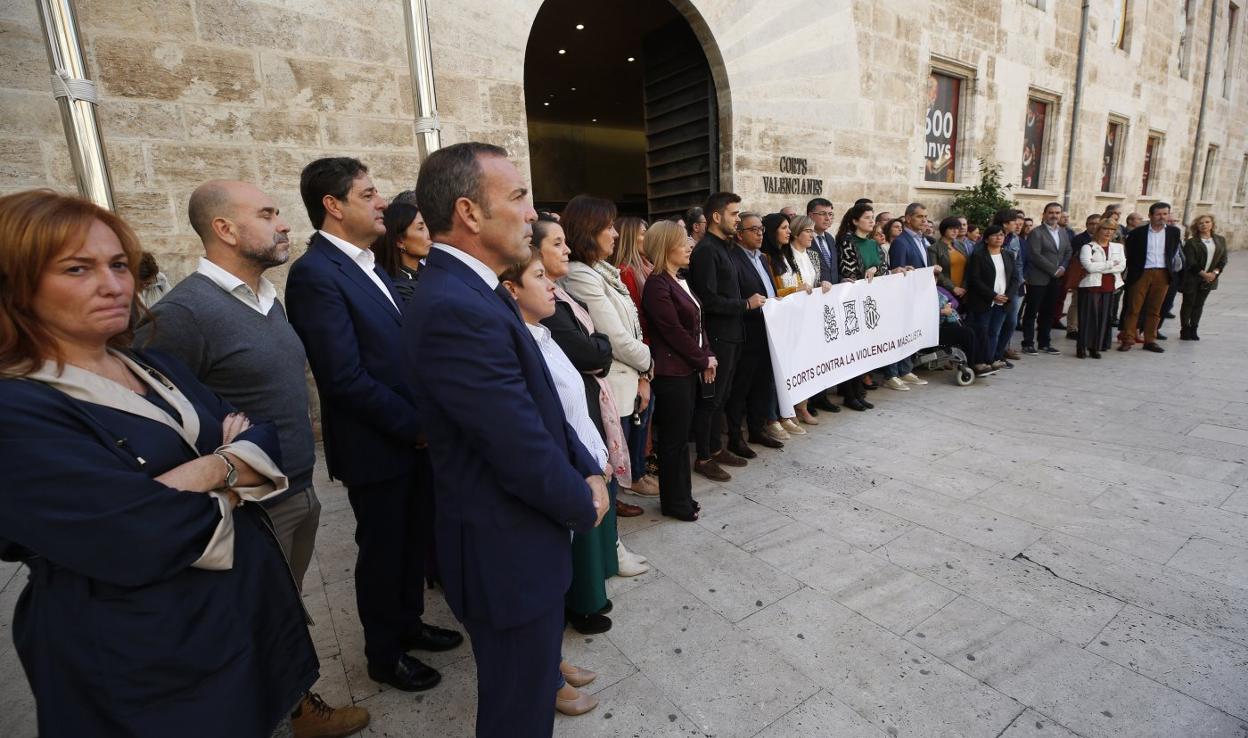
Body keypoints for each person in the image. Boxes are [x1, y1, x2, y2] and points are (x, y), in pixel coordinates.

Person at [0, 190, 317, 738]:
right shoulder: (19, 406)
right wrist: (227, 465)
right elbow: (134, 532)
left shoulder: (151, 364)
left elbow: (262, 432)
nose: (113, 284)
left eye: (118, 264)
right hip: (144, 650)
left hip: (234, 620)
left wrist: (197, 475)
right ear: (16, 284)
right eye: (78, 269)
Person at [133, 180, 368, 738]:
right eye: (267, 214)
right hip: (248, 505)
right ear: (225, 229)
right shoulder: (184, 313)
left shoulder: (266, 298)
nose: (284, 223)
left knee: (283, 605)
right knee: (249, 617)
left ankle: (293, 702)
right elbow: (150, 411)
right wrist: (219, 466)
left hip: (295, 487)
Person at [403, 143, 609, 738]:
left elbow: (538, 396)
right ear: (469, 212)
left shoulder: (476, 290)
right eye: (519, 197)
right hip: (504, 552)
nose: (531, 212)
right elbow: (515, 442)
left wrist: (584, 464)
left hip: (518, 543)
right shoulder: (452, 306)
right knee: (516, 713)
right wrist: (584, 499)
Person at [285, 158, 461, 693]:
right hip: (378, 444)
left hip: (410, 437)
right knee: (383, 552)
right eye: (368, 194)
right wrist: (416, 426)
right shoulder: (316, 274)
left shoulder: (368, 264)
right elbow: (343, 378)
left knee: (411, 542)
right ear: (333, 206)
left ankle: (409, 623)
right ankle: (384, 653)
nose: (382, 202)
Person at [499, 247, 608, 717]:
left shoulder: (542, 333)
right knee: (541, 585)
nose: (551, 286)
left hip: (576, 457)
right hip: (554, 472)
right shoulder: (514, 340)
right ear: (511, 290)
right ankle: (546, 676)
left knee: (553, 581)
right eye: (539, 276)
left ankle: (553, 662)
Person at [535, 217, 649, 572]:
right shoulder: (566, 287)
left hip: (605, 385)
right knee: (598, 476)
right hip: (589, 394)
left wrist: (604, 348)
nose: (565, 249)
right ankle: (603, 554)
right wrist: (641, 357)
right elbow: (594, 347)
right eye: (556, 243)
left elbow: (611, 333)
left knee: (607, 474)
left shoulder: (569, 286)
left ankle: (609, 549)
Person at [559, 195, 656, 515]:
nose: (615, 234)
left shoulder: (601, 270)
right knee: (611, 458)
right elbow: (614, 337)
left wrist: (643, 372)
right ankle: (610, 512)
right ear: (589, 231)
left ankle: (616, 499)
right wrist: (649, 362)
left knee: (625, 451)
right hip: (615, 380)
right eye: (608, 227)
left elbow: (632, 325)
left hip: (631, 375)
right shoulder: (580, 275)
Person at [641, 221, 717, 521]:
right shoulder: (658, 284)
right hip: (672, 372)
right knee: (673, 441)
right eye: (682, 242)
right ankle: (674, 503)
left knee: (680, 438)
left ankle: (682, 497)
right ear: (664, 248)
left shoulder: (677, 279)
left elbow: (697, 324)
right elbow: (672, 331)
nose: (689, 247)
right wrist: (703, 360)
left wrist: (707, 354)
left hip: (686, 368)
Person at [688, 191, 763, 481]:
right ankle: (704, 457)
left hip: (734, 334)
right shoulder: (707, 250)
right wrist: (745, 304)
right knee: (711, 399)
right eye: (734, 214)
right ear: (716, 216)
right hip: (718, 336)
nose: (738, 219)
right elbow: (707, 300)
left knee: (723, 396)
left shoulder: (725, 247)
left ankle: (716, 449)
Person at [609, 216, 662, 499]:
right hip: (637, 353)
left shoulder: (648, 267)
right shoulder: (626, 272)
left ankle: (642, 467)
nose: (648, 237)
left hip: (647, 350)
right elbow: (632, 321)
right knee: (639, 414)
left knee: (647, 412)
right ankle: (635, 473)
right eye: (643, 233)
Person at [725, 212, 786, 452]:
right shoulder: (733, 258)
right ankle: (735, 437)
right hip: (747, 329)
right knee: (742, 387)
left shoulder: (762, 258)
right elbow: (735, 297)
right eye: (754, 229)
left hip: (768, 329)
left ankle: (757, 429)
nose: (760, 233)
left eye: (761, 228)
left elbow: (768, 290)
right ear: (740, 234)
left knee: (762, 384)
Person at [759, 213, 808, 437]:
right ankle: (771, 417)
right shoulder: (766, 258)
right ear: (772, 231)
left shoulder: (786, 255)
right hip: (775, 323)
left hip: (792, 321)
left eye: (789, 227)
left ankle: (786, 413)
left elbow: (795, 283)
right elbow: (772, 292)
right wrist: (794, 291)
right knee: (771, 374)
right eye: (784, 228)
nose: (789, 232)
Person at [832, 203, 880, 410]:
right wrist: (865, 271)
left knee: (863, 349)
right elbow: (848, 271)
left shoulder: (871, 243)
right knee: (850, 349)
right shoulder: (846, 242)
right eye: (867, 217)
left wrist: (875, 267)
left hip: (869, 301)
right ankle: (849, 394)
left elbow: (882, 265)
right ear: (854, 221)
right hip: (851, 301)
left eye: (873, 217)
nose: (872, 221)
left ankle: (858, 390)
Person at [1118, 202, 1181, 353]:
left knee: (1155, 309)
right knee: (1134, 308)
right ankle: (1128, 339)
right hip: (1142, 272)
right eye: (1158, 214)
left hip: (1162, 273)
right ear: (1150, 216)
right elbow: (1130, 254)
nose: (1162, 217)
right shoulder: (1138, 233)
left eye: (1165, 214)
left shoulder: (1173, 232)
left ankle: (1150, 340)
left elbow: (1172, 251)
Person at [804, 197, 843, 415]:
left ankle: (823, 395)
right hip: (813, 303)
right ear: (811, 216)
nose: (828, 218)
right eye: (823, 214)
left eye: (831, 214)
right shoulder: (804, 240)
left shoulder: (829, 238)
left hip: (831, 302)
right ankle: (810, 400)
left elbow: (833, 269)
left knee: (828, 351)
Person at [965, 224, 1018, 371]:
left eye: (1001, 235)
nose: (999, 237)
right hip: (984, 301)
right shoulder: (978, 255)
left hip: (1003, 302)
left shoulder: (1008, 255)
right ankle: (980, 361)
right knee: (982, 331)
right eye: (995, 235)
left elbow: (1015, 278)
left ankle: (992, 359)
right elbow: (975, 279)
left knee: (994, 332)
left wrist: (1007, 296)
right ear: (987, 239)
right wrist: (993, 296)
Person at [1021, 202, 1071, 356]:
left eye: (1057, 213)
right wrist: (1053, 270)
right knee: (1032, 311)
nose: (1054, 216)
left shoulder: (1063, 232)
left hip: (1055, 279)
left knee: (1048, 312)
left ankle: (1044, 343)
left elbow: (1068, 251)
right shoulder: (1037, 233)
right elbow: (1035, 255)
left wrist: (1062, 268)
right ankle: (1028, 343)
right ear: (1044, 214)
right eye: (1051, 212)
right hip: (1038, 278)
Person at [1076, 220, 1126, 358]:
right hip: (1090, 286)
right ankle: (1081, 347)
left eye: (1112, 229)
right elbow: (1089, 267)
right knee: (1087, 318)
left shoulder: (1118, 247)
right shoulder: (1088, 247)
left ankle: (1095, 347)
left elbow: (1121, 266)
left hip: (1109, 286)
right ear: (1098, 230)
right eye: (1105, 229)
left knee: (1103, 318)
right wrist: (1110, 264)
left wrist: (1101, 266)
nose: (1109, 232)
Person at [373, 195, 432, 304]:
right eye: (420, 228)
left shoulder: (426, 272)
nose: (429, 235)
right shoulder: (400, 289)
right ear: (400, 241)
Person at [1179, 214, 1228, 340]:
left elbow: (1223, 259)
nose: (1204, 225)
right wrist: (1203, 274)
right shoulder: (1191, 242)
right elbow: (1190, 261)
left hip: (1210, 279)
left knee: (1199, 304)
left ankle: (1194, 328)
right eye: (1201, 223)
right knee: (1188, 303)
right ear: (1197, 226)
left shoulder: (1220, 240)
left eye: (1207, 222)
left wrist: (1214, 274)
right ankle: (1185, 328)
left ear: (1212, 224)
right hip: (1193, 277)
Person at [992, 208, 1027, 365]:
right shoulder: (992, 237)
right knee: (995, 325)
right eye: (1014, 221)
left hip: (1011, 288)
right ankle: (991, 355)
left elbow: (1018, 263)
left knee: (1011, 322)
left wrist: (1018, 283)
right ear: (1006, 223)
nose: (1018, 224)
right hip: (995, 289)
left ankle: (1000, 353)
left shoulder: (1015, 239)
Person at [927, 216, 963, 297]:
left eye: (957, 228)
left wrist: (965, 286)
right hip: (947, 291)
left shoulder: (960, 245)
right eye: (951, 228)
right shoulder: (933, 248)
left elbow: (968, 267)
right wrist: (953, 288)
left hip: (964, 290)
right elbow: (937, 272)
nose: (955, 231)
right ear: (944, 229)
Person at [888, 203, 931, 270]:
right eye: (919, 216)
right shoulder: (899, 242)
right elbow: (898, 273)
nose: (924, 220)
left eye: (925, 216)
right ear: (908, 218)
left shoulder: (921, 239)